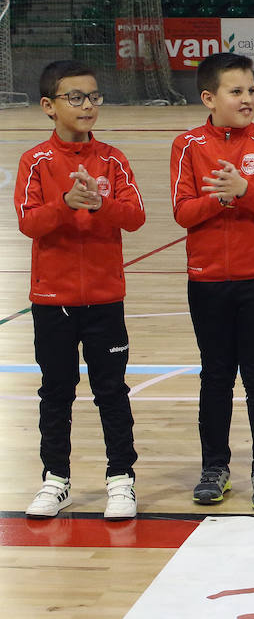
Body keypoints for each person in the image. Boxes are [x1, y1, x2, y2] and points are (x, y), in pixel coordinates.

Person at [17, 60, 145, 520]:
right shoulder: (35, 161)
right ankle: (56, 479)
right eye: (76, 97)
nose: (87, 105)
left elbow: (135, 217)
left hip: (105, 300)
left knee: (111, 390)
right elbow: (29, 222)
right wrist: (64, 204)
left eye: (93, 96)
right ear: (49, 106)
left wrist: (101, 204)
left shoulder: (113, 159)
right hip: (52, 301)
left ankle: (121, 479)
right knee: (56, 391)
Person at [171, 52, 254, 511]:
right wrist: (219, 202)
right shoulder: (187, 145)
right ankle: (214, 467)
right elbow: (182, 212)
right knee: (215, 376)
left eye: (251, 90)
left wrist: (244, 191)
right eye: (236, 91)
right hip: (207, 282)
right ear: (208, 97)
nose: (248, 99)